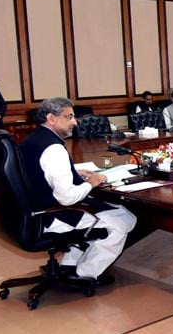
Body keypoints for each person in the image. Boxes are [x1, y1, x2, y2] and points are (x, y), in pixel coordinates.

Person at [19, 97, 137, 280]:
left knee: (109, 212)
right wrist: (92, 182)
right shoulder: (54, 148)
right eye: (69, 117)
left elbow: (36, 170)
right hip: (51, 215)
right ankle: (85, 274)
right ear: (51, 118)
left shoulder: (31, 140)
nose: (74, 122)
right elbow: (67, 198)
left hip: (30, 212)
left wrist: (72, 171)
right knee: (123, 219)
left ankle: (69, 264)